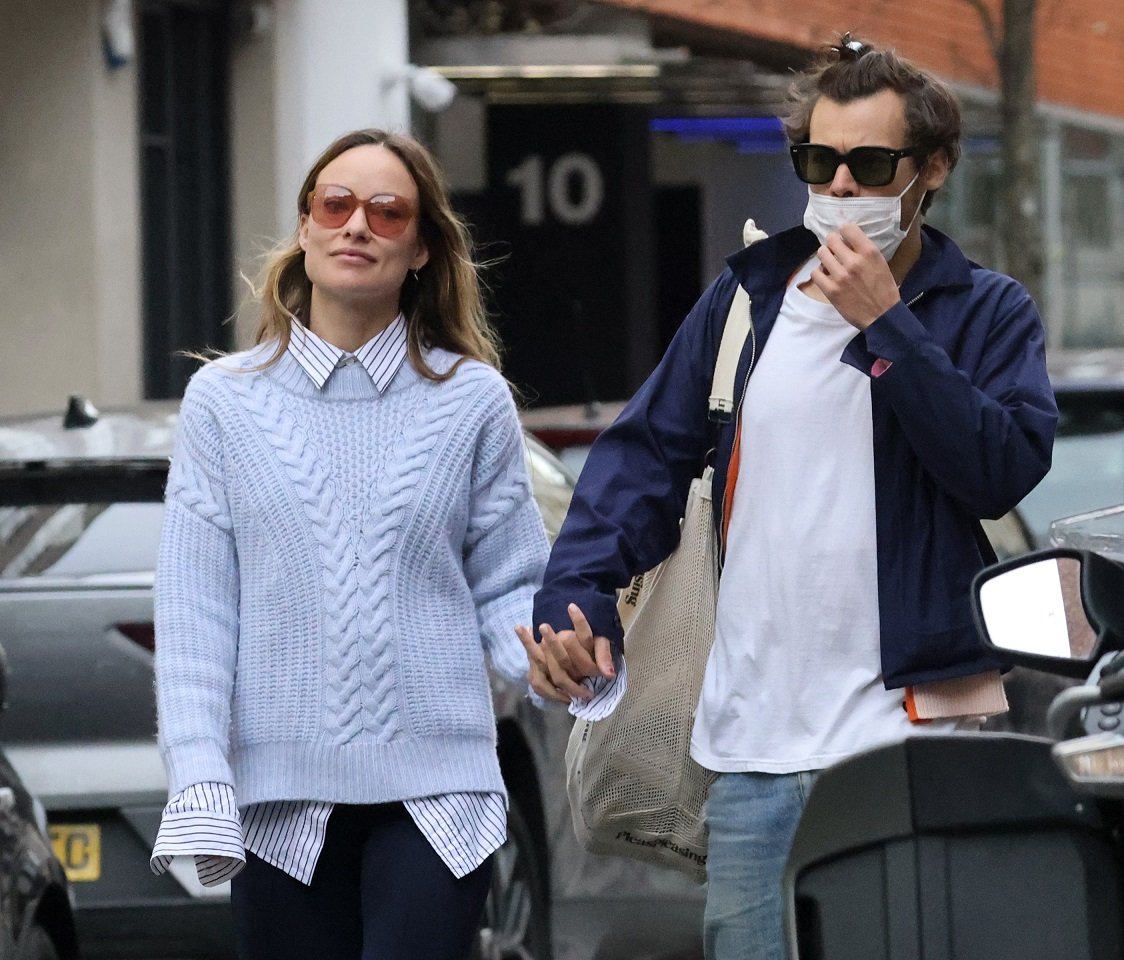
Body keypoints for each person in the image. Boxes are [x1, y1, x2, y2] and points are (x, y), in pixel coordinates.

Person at [520, 33, 1058, 960]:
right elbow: (640, 461)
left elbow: (999, 468)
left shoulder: (985, 310)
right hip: (752, 755)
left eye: (870, 164)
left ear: (931, 169)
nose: (840, 186)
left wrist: (887, 325)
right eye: (818, 160)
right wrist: (575, 597)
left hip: (910, 746)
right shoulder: (747, 302)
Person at [149, 128, 550, 960]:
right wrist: (199, 770)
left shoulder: (473, 400)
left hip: (440, 793)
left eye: (387, 211)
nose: (356, 224)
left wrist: (557, 661)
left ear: (421, 248)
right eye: (335, 205)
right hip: (276, 800)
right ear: (306, 229)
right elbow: (196, 615)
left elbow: (509, 584)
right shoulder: (222, 403)